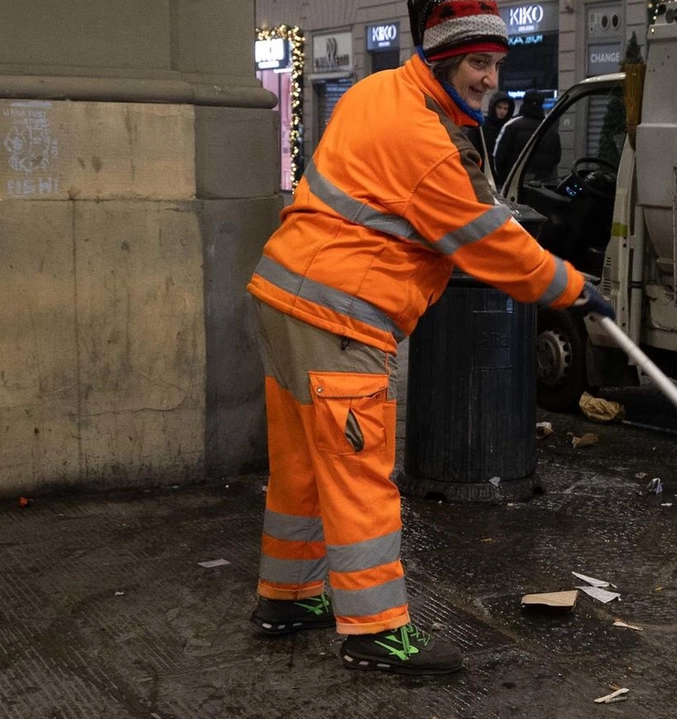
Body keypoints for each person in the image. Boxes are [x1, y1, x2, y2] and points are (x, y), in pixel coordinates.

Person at [245, 0, 614, 676]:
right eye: (478, 63)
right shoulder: (425, 141)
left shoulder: (375, 91)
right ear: (443, 60)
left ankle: (288, 596)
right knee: (360, 475)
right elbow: (488, 241)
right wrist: (574, 288)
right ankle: (377, 633)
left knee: (301, 465)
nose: (491, 79)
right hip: (339, 316)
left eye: (497, 64)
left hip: (284, 297)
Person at [493, 89, 560, 182]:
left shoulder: (511, 125)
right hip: (543, 184)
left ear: (524, 103)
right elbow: (556, 158)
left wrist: (504, 179)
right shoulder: (550, 129)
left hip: (516, 182)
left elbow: (499, 157)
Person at [466, 92, 514, 182]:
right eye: (499, 107)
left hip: (501, 175)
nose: (502, 111)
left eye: (505, 108)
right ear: (493, 107)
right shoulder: (481, 126)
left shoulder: (509, 128)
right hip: (483, 172)